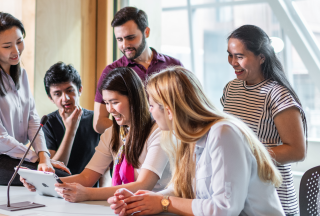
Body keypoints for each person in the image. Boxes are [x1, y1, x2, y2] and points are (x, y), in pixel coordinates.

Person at [108, 66, 284, 216]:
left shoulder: (223, 133)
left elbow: (224, 209)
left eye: (152, 105)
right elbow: (181, 188)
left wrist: (164, 202)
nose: (150, 111)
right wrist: (141, 201)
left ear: (169, 111)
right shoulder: (189, 138)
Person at [21, 67, 171, 202]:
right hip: (121, 206)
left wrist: (88, 194)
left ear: (133, 98)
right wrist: (40, 182)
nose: (110, 109)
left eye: (114, 102)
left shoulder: (158, 131)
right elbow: (86, 177)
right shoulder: (112, 133)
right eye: (106, 103)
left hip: (155, 208)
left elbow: (143, 185)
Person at [0, 12, 69, 186]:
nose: (16, 51)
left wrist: (44, 157)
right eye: (7, 46)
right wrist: (37, 158)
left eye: (19, 42)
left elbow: (33, 121)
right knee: (58, 179)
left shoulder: (22, 75)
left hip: (16, 156)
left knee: (64, 176)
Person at [221, 24, 306, 215]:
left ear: (261, 57)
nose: (233, 62)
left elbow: (297, 151)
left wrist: (248, 156)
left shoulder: (277, 94)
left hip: (275, 201)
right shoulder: (231, 89)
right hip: (241, 196)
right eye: (230, 55)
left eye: (240, 56)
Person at [94, 7, 182, 134]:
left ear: (146, 32)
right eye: (119, 39)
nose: (124, 45)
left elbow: (186, 109)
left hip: (172, 143)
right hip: (133, 147)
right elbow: (99, 123)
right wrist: (137, 134)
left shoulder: (174, 66)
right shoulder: (111, 71)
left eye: (130, 38)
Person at [42, 62, 101, 175]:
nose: (65, 98)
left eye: (69, 90)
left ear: (79, 90)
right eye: (57, 94)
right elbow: (53, 170)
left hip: (90, 189)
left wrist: (103, 192)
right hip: (59, 188)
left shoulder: (96, 119)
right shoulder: (47, 123)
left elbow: (105, 168)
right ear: (50, 98)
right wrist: (70, 130)